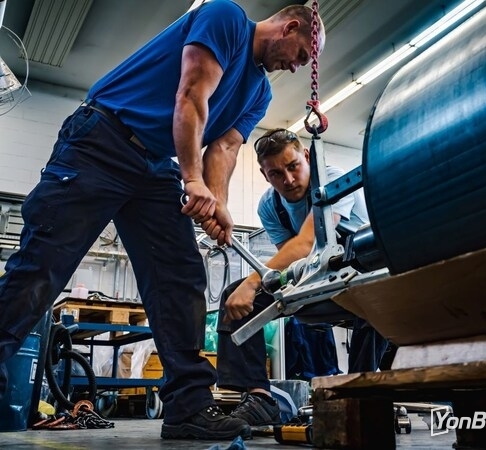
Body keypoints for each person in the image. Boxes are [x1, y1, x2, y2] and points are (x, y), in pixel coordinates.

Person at [0, 1, 324, 441]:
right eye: (301, 55)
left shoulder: (259, 94)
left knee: (180, 278)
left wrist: (217, 203)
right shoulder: (226, 18)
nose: (296, 67)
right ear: (290, 27)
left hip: (154, 163)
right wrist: (192, 180)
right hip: (103, 139)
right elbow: (191, 95)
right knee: (42, 268)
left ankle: (189, 407)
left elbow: (224, 148)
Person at [216, 128, 390, 427]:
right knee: (234, 297)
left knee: (373, 298)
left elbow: (306, 242)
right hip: (318, 280)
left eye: (293, 166)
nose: (288, 179)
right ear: (264, 174)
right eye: (276, 173)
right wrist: (257, 288)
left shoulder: (333, 180)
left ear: (307, 157)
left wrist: (252, 282)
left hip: (366, 273)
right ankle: (258, 397)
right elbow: (291, 260)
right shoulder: (270, 205)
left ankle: (359, 397)